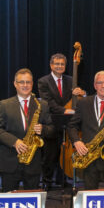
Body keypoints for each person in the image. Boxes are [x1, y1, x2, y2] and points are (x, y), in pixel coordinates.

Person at [0, 68, 50, 191]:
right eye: (21, 82)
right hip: (10, 162)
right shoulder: (5, 104)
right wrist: (15, 142)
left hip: (33, 163)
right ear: (15, 84)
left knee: (33, 201)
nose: (25, 85)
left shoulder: (42, 105)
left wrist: (43, 129)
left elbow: (52, 129)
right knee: (8, 202)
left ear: (32, 84)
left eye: (28, 82)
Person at [36, 53, 84, 187]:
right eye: (57, 64)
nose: (59, 66)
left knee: (64, 151)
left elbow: (78, 99)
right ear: (51, 65)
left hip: (67, 122)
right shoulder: (43, 81)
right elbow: (48, 102)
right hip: (51, 121)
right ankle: (47, 182)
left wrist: (82, 93)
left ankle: (61, 180)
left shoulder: (71, 80)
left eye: (62, 64)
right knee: (50, 154)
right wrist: (64, 110)